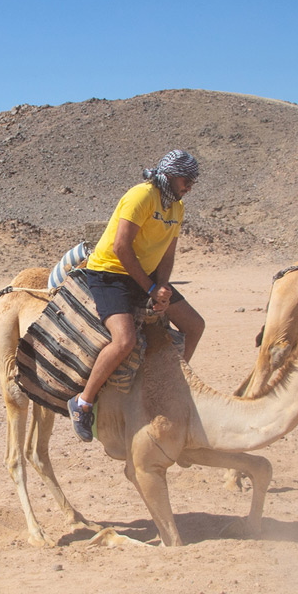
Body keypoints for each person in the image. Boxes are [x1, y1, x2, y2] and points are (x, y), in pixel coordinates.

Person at [67, 150, 207, 442]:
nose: (189, 187)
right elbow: (121, 247)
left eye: (193, 182)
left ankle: (171, 387)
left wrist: (163, 289)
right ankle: (82, 403)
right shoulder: (141, 196)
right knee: (124, 341)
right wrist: (151, 289)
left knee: (195, 325)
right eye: (186, 180)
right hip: (111, 274)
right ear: (169, 176)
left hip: (145, 276)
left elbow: (168, 254)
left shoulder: (176, 208)